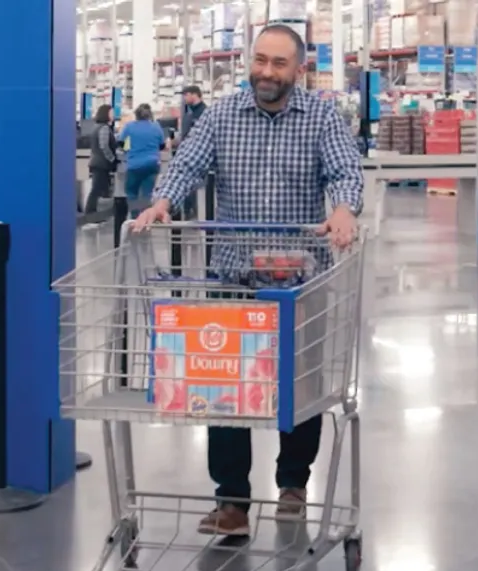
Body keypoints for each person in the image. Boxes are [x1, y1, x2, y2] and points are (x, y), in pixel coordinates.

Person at [132, 24, 363, 536]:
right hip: (233, 277)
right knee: (226, 388)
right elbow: (187, 162)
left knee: (299, 386)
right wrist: (164, 200)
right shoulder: (221, 115)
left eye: (279, 63)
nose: (266, 72)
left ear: (298, 70)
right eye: (260, 60)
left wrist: (344, 208)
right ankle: (233, 500)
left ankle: (293, 485)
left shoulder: (321, 116)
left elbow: (346, 169)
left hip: (298, 281)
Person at [118, 103, 165, 213]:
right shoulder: (156, 126)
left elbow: (121, 143)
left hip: (134, 165)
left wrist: (128, 148)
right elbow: (161, 145)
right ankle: (145, 218)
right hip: (152, 164)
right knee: (147, 194)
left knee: (132, 193)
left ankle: (135, 219)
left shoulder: (129, 126)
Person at [177, 85, 207, 219]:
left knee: (197, 188)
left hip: (200, 158)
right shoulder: (188, 113)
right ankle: (189, 211)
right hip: (185, 155)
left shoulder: (205, 113)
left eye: (186, 95)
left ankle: (198, 212)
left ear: (194, 94)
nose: (184, 98)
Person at [85, 104, 118, 213]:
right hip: (101, 164)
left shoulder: (96, 127)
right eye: (111, 113)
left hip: (96, 162)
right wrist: (113, 159)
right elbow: (104, 146)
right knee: (98, 189)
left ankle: (95, 212)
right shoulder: (104, 128)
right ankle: (91, 212)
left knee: (99, 189)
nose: (113, 115)